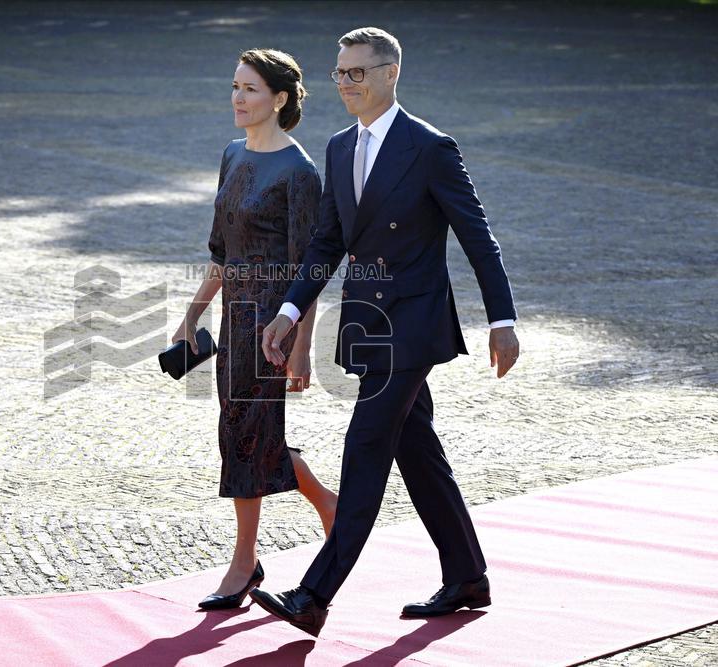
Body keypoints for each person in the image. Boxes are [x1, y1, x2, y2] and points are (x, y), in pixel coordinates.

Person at [249, 27, 521, 637]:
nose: (346, 84)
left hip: (415, 325)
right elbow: (328, 241)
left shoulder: (430, 148)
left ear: (391, 74)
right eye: (340, 73)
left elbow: (478, 238)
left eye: (358, 73)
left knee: (365, 449)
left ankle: (315, 595)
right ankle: (467, 575)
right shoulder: (341, 145)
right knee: (417, 451)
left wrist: (502, 320)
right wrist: (290, 312)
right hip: (368, 325)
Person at [172, 48, 339, 611]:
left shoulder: (299, 172)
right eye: (235, 87)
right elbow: (221, 250)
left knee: (248, 433)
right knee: (242, 431)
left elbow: (310, 268)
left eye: (250, 89)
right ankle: (327, 505)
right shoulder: (232, 155)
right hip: (233, 319)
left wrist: (303, 349)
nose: (238, 98)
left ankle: (244, 563)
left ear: (280, 99)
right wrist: (194, 312)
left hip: (273, 323)